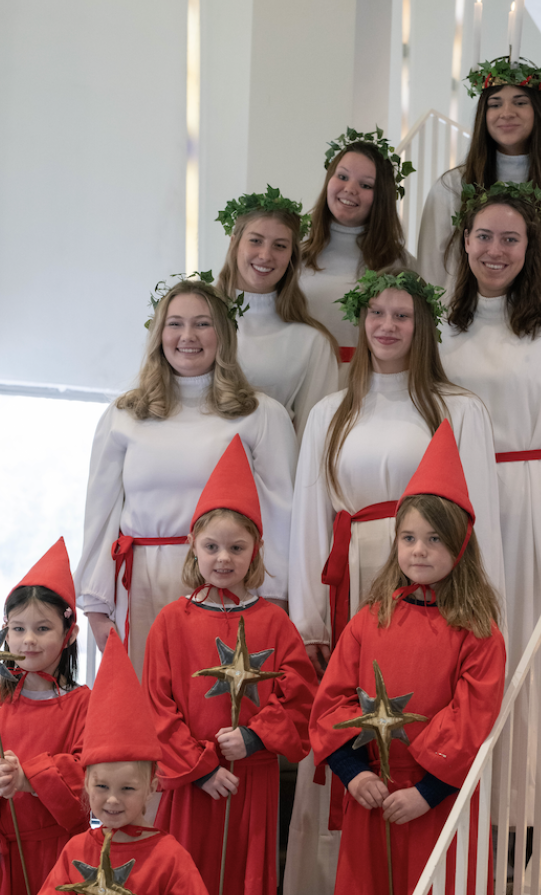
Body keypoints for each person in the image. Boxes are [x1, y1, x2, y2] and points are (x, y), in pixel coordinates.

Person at [283, 268, 505, 895]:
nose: (387, 326)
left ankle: (426, 801)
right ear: (361, 320)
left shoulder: (458, 409)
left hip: (438, 589)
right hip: (355, 580)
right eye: (376, 313)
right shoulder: (331, 411)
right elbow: (308, 516)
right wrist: (312, 622)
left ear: (422, 324)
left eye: (402, 315)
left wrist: (485, 605)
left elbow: (473, 517)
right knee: (349, 706)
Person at [439, 184, 541, 821]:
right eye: (484, 236)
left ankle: (525, 813)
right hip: (453, 507)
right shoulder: (442, 322)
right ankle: (457, 805)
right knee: (456, 656)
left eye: (511, 238)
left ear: (532, 250)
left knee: (527, 655)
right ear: (465, 243)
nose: (495, 250)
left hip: (527, 502)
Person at [311, 421, 506, 895]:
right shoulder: (368, 620)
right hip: (373, 793)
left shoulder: (479, 633)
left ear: (460, 545)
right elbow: (331, 701)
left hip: (437, 797)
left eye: (435, 539)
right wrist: (353, 775)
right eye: (409, 538)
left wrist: (427, 793)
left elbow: (471, 719)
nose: (419, 550)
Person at [74, 277, 297, 677]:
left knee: (215, 709)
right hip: (141, 582)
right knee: (146, 714)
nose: (187, 336)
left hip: (229, 581)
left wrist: (275, 601)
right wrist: (94, 602)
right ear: (159, 333)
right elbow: (100, 514)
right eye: (175, 323)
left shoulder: (261, 414)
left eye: (202, 323)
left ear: (224, 334)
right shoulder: (124, 415)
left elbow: (282, 514)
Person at [143, 435, 317, 895]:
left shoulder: (274, 623)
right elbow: (156, 707)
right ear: (193, 546)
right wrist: (200, 769)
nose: (224, 558)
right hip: (192, 783)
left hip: (249, 780)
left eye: (237, 548)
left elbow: (301, 699)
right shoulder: (170, 622)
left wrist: (256, 735)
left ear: (256, 550)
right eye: (212, 547)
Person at [417, 57, 541, 410]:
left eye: (520, 102)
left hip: (539, 336)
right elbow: (432, 278)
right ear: (481, 114)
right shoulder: (451, 188)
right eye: (495, 103)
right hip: (463, 335)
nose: (507, 112)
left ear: (539, 112)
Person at [0, 540, 90, 895]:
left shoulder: (85, 705)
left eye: (42, 629)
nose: (28, 640)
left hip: (62, 856)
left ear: (70, 634)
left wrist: (29, 777)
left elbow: (91, 778)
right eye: (18, 629)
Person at [39, 628, 209, 894]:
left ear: (152, 786)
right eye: (102, 787)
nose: (113, 800)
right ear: (86, 784)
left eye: (127, 788)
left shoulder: (170, 858)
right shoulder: (75, 850)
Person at [216, 185, 339, 440]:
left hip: (269, 475)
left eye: (280, 246)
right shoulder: (195, 323)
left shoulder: (312, 342)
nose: (265, 255)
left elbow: (314, 441)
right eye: (256, 241)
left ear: (292, 257)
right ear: (234, 243)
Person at [301, 127, 417, 373]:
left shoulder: (401, 265)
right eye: (342, 177)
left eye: (365, 185)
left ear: (381, 197)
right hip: (300, 381)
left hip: (366, 386)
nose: (350, 189)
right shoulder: (294, 255)